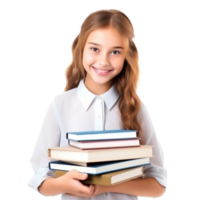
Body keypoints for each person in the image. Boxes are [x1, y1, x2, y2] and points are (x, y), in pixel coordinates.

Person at [25, 8, 168, 200]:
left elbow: (158, 185)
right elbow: (40, 178)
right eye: (95, 49)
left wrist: (103, 185)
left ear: (127, 55)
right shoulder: (59, 106)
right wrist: (62, 184)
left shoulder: (137, 109)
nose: (103, 61)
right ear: (81, 48)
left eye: (115, 52)